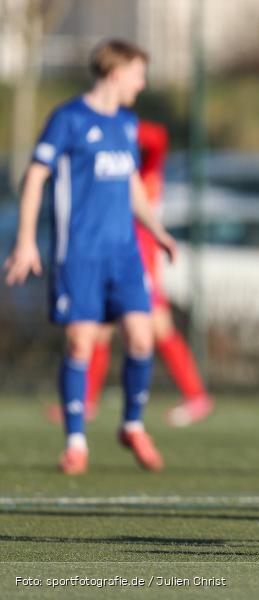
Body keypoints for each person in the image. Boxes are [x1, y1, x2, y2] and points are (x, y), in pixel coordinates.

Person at [4, 39, 178, 475]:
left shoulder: (127, 123)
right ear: (116, 73)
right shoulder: (68, 119)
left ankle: (132, 426)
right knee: (81, 342)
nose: (142, 84)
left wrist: (157, 230)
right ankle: (76, 442)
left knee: (141, 338)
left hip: (124, 253)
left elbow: (131, 183)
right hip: (79, 254)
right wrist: (25, 240)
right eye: (138, 74)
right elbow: (35, 176)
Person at [45, 121, 214, 427]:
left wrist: (118, 126)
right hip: (117, 257)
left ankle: (195, 396)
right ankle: (88, 402)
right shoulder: (117, 171)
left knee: (155, 329)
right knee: (103, 330)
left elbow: (158, 138)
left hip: (139, 260)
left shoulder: (146, 172)